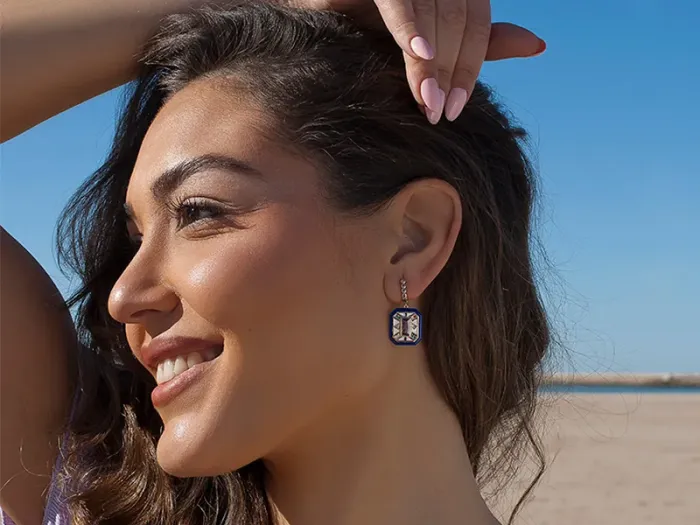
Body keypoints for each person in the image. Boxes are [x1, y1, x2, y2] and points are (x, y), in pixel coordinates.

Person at [0, 1, 548, 524]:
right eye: (138, 238)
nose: (124, 297)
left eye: (197, 212)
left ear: (413, 238)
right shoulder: (90, 494)